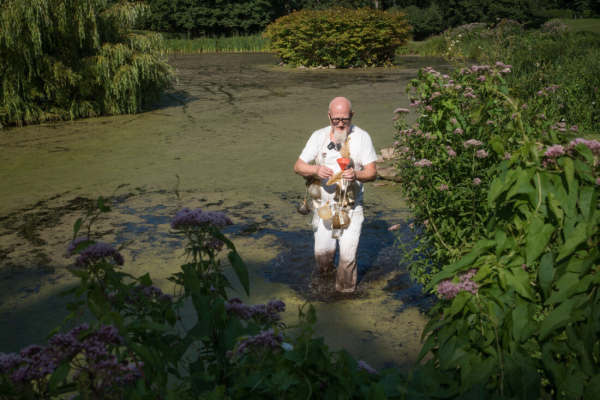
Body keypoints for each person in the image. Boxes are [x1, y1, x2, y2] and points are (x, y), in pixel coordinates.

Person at [294, 97, 377, 292]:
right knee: (322, 257)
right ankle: (325, 287)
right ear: (329, 115)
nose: (340, 124)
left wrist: (355, 174)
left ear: (352, 115)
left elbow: (372, 173)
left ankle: (344, 294)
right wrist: (315, 170)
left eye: (345, 119)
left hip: (350, 209)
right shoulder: (318, 136)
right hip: (324, 208)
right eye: (336, 119)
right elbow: (298, 166)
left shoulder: (362, 137)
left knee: (347, 258)